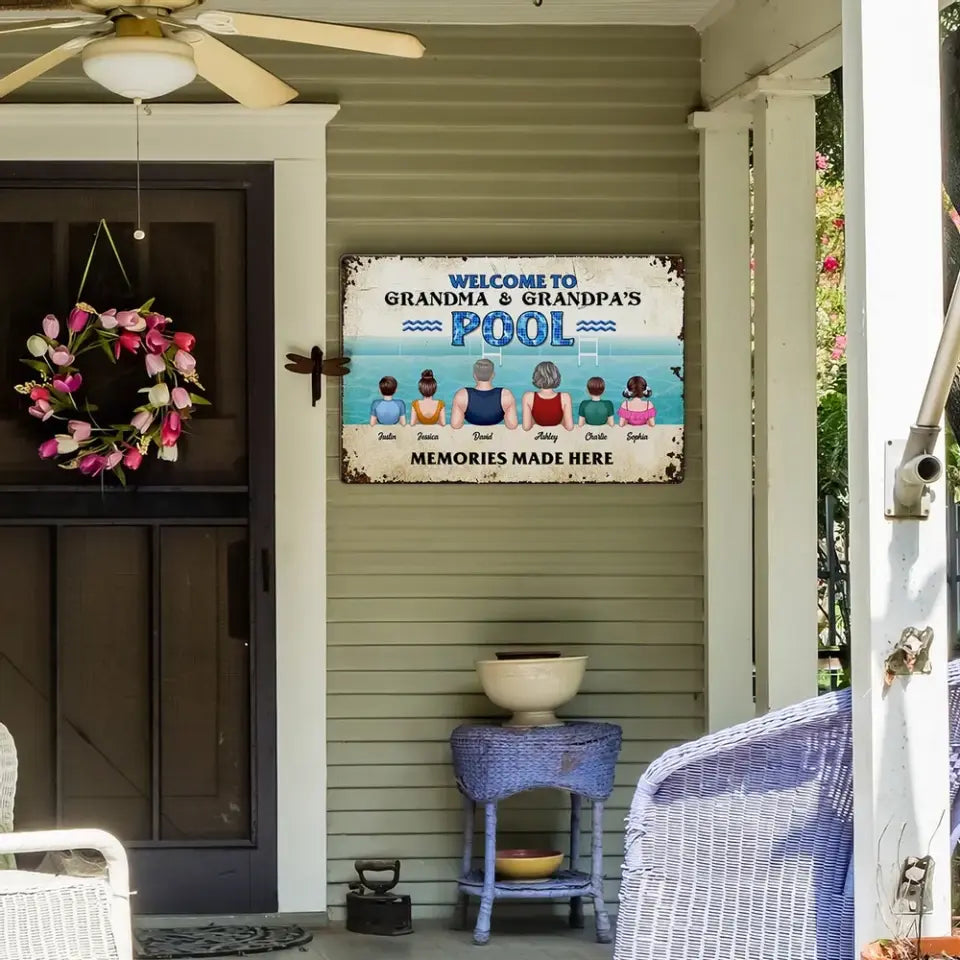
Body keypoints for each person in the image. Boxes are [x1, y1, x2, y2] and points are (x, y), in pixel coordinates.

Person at [451, 358, 518, 429]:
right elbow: (512, 425)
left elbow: (456, 425)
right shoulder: (506, 395)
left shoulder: (462, 395)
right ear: (493, 375)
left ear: (474, 375)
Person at [522, 361, 574, 431]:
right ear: (556, 376)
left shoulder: (528, 397)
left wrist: (534, 421)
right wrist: (561, 422)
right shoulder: (565, 397)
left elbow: (526, 427)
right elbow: (569, 427)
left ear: (536, 376)